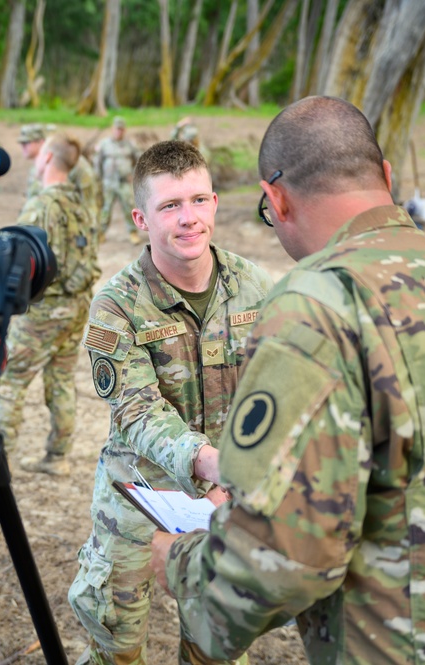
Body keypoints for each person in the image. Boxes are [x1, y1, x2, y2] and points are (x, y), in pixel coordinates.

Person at [149, 96, 425, 663]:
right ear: (385, 177)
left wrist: (183, 568)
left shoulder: (319, 302)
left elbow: (284, 558)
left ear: (276, 199)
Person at [68, 140, 274, 665]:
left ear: (215, 203)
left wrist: (237, 479)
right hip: (139, 495)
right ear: (141, 217)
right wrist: (211, 464)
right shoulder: (117, 303)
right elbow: (137, 412)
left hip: (225, 495)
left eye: (199, 201)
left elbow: (276, 391)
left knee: (218, 646)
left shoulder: (254, 287)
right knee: (114, 640)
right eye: (170, 206)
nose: (189, 219)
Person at [0, 132, 101, 476]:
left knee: (10, 379)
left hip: (44, 309)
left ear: (46, 159)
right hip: (76, 306)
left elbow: (18, 261)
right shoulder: (80, 202)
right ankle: (58, 457)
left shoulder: (42, 205)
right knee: (61, 379)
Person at [93, 115, 141, 244]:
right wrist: (98, 179)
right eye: (116, 129)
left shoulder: (129, 144)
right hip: (108, 183)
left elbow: (139, 159)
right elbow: (97, 162)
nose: (119, 132)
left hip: (124, 182)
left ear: (124, 130)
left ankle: (133, 233)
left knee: (128, 207)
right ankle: (101, 233)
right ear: (112, 129)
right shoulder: (104, 144)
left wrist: (134, 174)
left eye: (121, 129)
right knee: (105, 209)